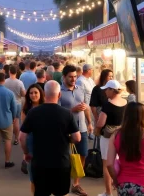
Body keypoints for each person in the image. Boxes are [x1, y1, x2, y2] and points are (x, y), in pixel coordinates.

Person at [19, 81, 81, 196]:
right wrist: (68, 139)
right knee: (61, 193)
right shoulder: (67, 113)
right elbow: (77, 138)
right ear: (59, 95)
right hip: (61, 162)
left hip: (40, 163)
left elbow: (21, 137)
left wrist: (26, 153)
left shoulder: (33, 112)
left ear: (44, 94)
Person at [107, 102, 144, 196]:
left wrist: (115, 180)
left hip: (124, 184)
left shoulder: (115, 135)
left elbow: (109, 164)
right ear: (143, 116)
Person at [60, 65, 93, 196]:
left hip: (82, 128)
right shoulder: (59, 91)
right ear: (64, 77)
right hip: (66, 129)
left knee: (83, 154)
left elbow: (85, 107)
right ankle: (63, 183)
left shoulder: (80, 90)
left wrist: (89, 122)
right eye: (71, 77)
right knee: (65, 157)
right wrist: (72, 110)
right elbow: (56, 111)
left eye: (75, 76)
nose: (73, 79)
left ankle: (76, 183)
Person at [95, 80, 127, 196]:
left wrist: (97, 130)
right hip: (122, 136)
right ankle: (121, 190)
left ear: (111, 90)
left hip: (108, 137)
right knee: (120, 163)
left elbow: (100, 123)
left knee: (107, 164)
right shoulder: (126, 102)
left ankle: (108, 192)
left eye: (106, 90)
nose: (105, 92)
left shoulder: (108, 105)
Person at [21, 83, 45, 195]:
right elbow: (23, 132)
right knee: (32, 173)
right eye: (31, 93)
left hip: (45, 142)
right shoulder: (26, 109)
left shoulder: (46, 107)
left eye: (36, 92)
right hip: (31, 142)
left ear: (41, 93)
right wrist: (24, 151)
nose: (33, 95)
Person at [4, 65, 26, 145]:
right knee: (16, 121)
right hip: (17, 103)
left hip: (7, 103)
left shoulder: (5, 81)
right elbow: (23, 94)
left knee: (7, 121)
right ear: (16, 72)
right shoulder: (19, 82)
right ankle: (16, 138)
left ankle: (7, 137)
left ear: (9, 72)